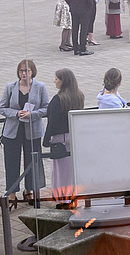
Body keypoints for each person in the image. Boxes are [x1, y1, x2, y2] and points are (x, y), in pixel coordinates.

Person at [0, 59, 48, 207]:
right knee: (11, 162)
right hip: (12, 131)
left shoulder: (40, 87)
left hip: (32, 131)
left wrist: (33, 114)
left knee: (31, 162)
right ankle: (12, 192)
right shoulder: (10, 87)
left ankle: (29, 190)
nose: (24, 74)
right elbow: (1, 108)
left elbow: (46, 108)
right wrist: (16, 113)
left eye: (27, 71)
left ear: (33, 72)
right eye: (21, 71)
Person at [43, 68, 84, 197]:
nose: (54, 82)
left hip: (59, 139)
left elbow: (52, 122)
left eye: (56, 79)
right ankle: (73, 194)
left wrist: (46, 139)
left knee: (60, 172)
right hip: (73, 136)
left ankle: (62, 197)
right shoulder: (79, 96)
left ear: (63, 81)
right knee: (72, 169)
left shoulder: (58, 99)